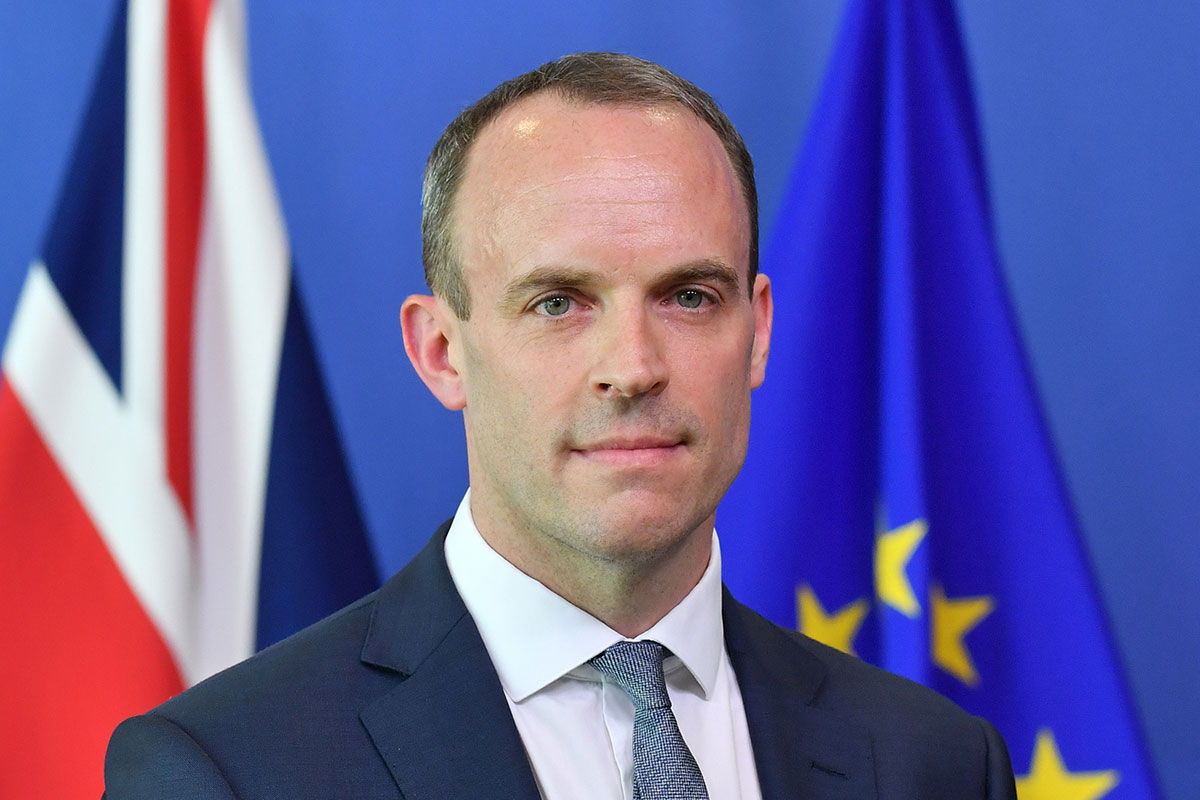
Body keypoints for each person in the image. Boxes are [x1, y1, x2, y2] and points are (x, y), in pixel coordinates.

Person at [104, 52, 1016, 799]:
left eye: (690, 296)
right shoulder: (226, 772)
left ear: (759, 332)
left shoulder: (932, 764)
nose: (633, 365)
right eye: (558, 303)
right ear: (440, 352)